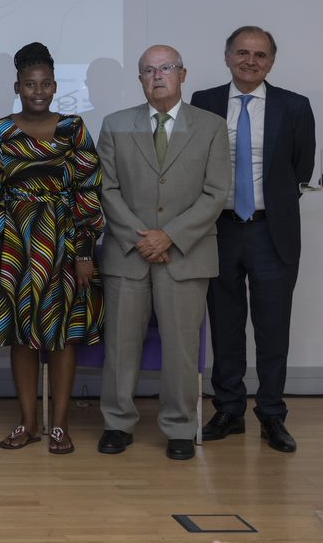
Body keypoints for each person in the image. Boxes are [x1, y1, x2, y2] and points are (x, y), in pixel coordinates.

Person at [0, 42, 104, 455]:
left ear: (56, 85)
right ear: (17, 86)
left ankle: (59, 426)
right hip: (15, 246)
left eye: (45, 83)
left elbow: (89, 192)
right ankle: (28, 424)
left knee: (62, 337)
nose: (38, 91)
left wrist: (83, 253)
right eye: (30, 84)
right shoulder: (0, 132)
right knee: (22, 338)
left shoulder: (74, 129)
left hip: (64, 244)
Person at [96, 44, 231, 461]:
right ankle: (117, 423)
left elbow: (215, 193)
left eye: (166, 68)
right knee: (121, 344)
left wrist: (168, 235)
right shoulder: (115, 124)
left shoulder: (211, 126)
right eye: (148, 70)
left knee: (181, 347)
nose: (158, 76)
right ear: (139, 79)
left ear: (183, 75)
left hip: (185, 255)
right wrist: (143, 238)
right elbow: (107, 189)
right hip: (129, 253)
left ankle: (178, 427)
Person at [191, 26, 316, 453]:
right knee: (225, 325)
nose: (250, 61)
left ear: (271, 62)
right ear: (227, 56)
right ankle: (228, 410)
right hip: (219, 227)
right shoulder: (204, 103)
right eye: (242, 52)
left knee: (272, 328)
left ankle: (272, 414)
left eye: (260, 55)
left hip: (271, 229)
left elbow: (301, 168)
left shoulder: (295, 107)